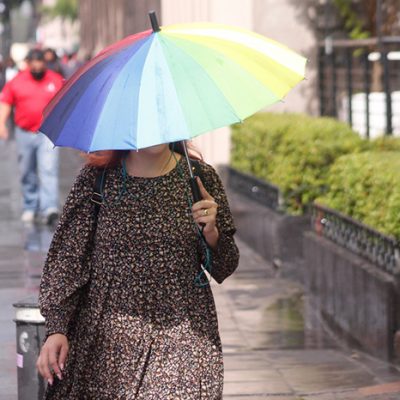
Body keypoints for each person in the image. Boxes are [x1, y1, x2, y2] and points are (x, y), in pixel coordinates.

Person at [36, 143, 240, 399]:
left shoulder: (198, 177)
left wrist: (212, 233)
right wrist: (57, 329)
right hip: (108, 345)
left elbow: (224, 266)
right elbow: (68, 260)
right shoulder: (97, 178)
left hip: (183, 337)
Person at [0, 49, 64, 224]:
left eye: (40, 62)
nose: (37, 66)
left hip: (47, 133)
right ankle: (30, 206)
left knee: (48, 169)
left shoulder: (55, 79)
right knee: (27, 171)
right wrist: (1, 123)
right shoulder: (17, 81)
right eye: (33, 63)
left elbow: (66, 101)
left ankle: (49, 208)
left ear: (44, 63)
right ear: (28, 63)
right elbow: (5, 102)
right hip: (25, 132)